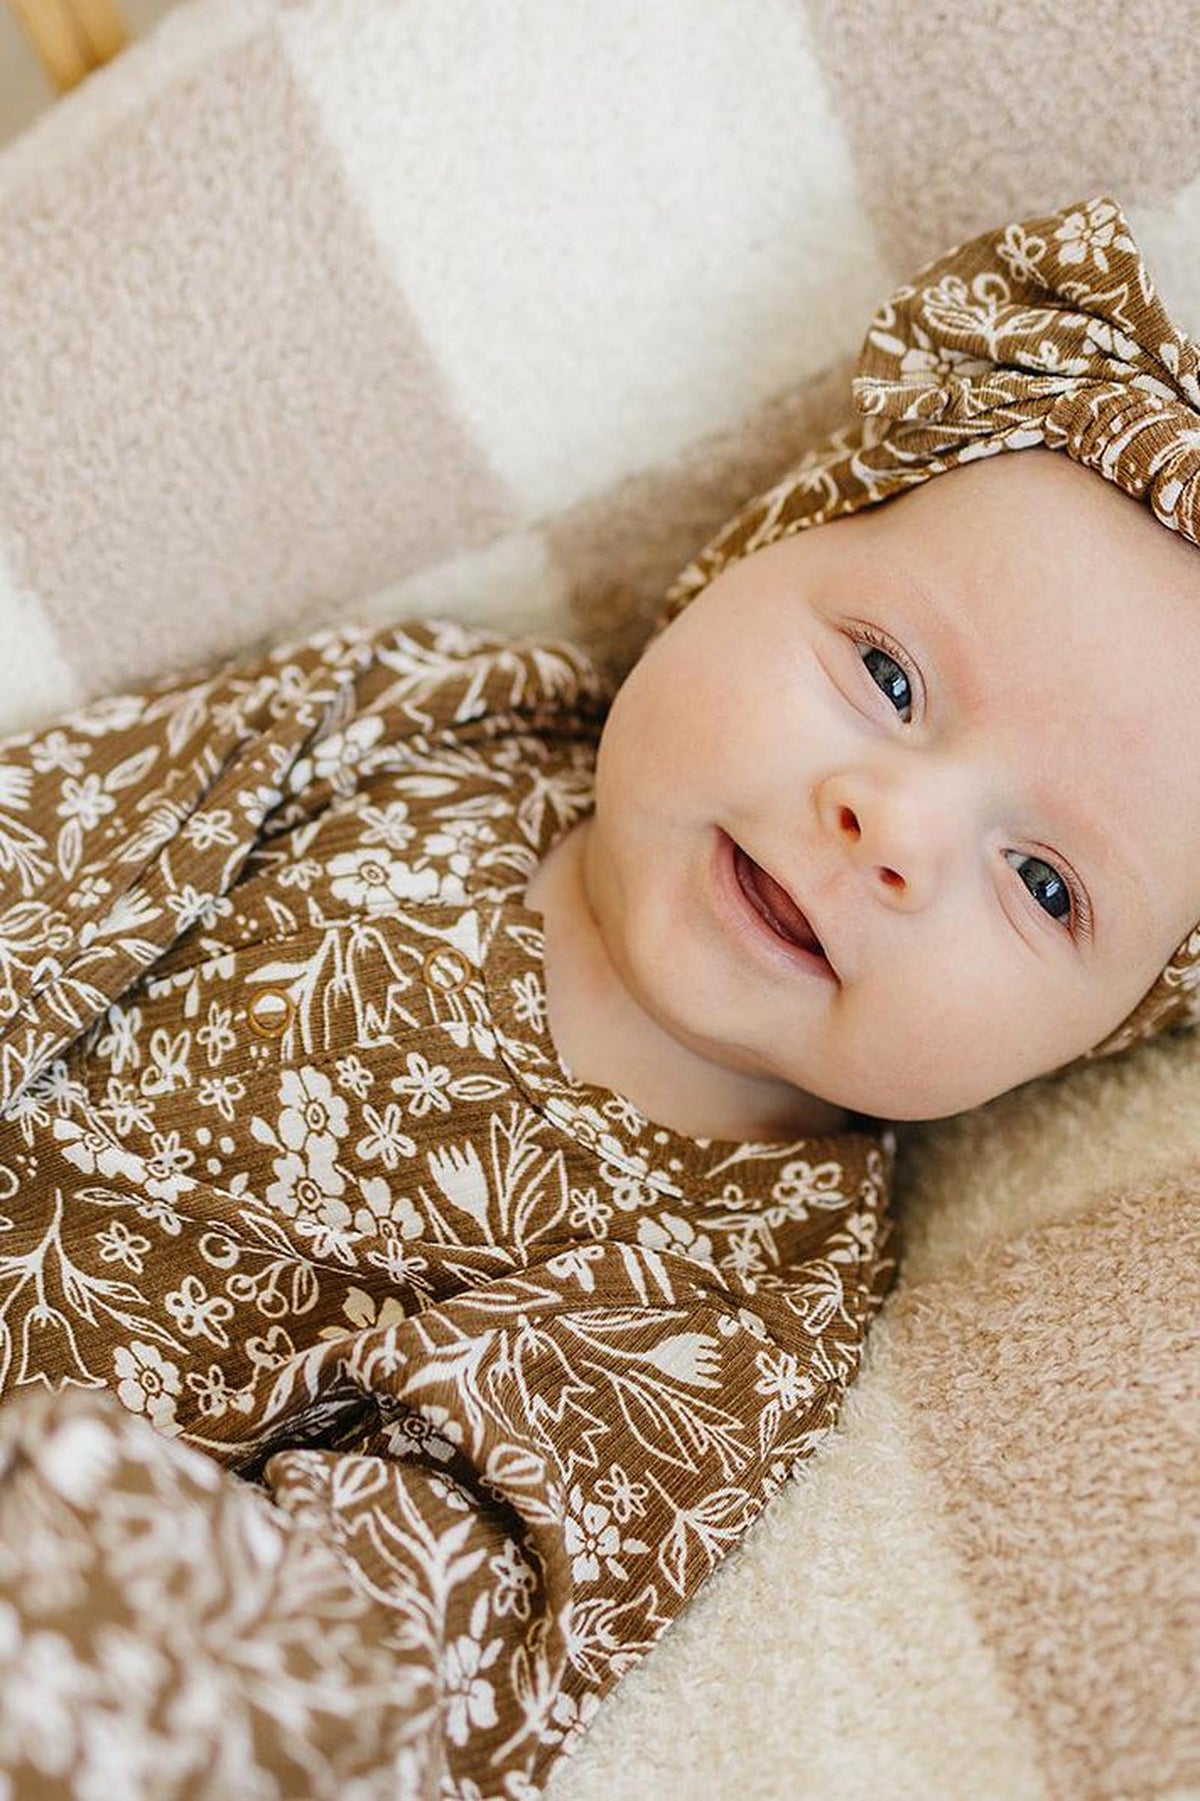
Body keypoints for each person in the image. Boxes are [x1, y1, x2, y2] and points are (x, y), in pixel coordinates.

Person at [0, 194, 1197, 1800]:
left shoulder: (746, 1283)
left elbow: (448, 1596)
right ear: (748, 555)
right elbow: (75, 840)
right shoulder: (438, 713)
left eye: (1047, 884)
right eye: (888, 677)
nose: (893, 829)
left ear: (1095, 1038)